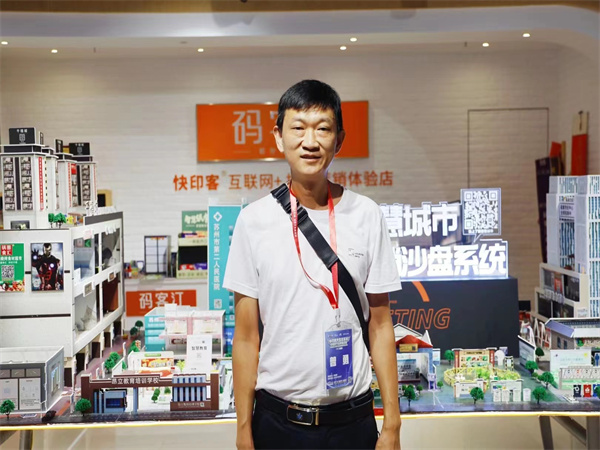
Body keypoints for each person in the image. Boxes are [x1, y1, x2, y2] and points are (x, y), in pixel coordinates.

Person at [223, 79, 402, 450]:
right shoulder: (253, 222)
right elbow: (246, 337)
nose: (310, 141)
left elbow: (381, 325)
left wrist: (393, 425)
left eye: (322, 129)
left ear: (339, 139)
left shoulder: (366, 215)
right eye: (298, 128)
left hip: (353, 422)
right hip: (278, 423)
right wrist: (243, 429)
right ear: (278, 137)